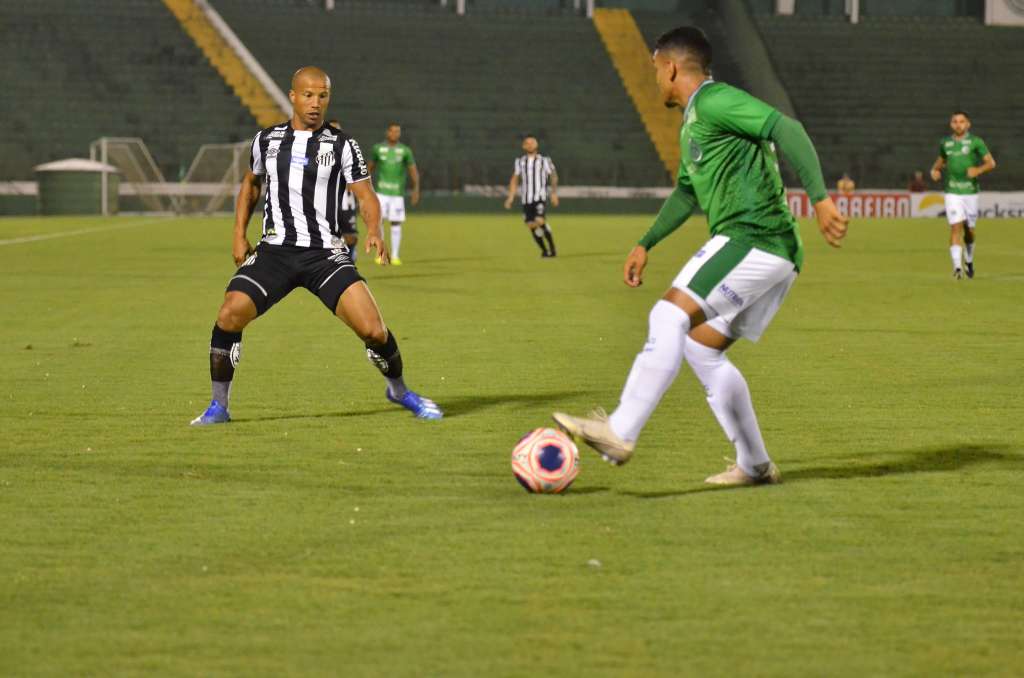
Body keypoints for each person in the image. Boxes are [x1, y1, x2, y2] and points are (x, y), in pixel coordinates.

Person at [552, 27, 847, 486]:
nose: (654, 80)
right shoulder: (695, 120)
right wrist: (646, 242)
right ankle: (755, 465)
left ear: (670, 67)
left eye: (655, 70)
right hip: (771, 250)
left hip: (754, 237)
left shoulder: (714, 101)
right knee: (701, 349)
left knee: (668, 316)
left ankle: (620, 430)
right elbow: (687, 193)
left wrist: (821, 198)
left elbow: (787, 128)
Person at [190, 67, 442, 425]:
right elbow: (251, 185)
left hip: (324, 254)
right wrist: (237, 233)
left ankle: (400, 391)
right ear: (292, 96)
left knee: (373, 329)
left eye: (322, 96)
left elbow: (365, 195)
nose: (315, 103)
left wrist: (375, 230)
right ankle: (219, 407)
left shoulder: (342, 145)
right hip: (274, 252)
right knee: (229, 314)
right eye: (308, 95)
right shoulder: (267, 140)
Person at [929, 111, 996, 279]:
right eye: (954, 122)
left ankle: (969, 259)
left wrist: (978, 170)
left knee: (969, 231)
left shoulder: (976, 142)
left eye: (961, 121)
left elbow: (991, 163)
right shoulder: (945, 143)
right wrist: (935, 169)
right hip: (952, 191)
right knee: (955, 227)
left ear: (968, 124)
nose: (958, 124)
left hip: (970, 192)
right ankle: (957, 267)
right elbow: (942, 160)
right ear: (951, 124)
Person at [368, 123, 419, 265]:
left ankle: (395, 256)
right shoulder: (378, 149)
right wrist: (365, 188)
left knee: (396, 222)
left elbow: (413, 170)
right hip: (381, 192)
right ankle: (381, 255)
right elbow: (369, 168)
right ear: (387, 132)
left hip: (397, 193)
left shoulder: (405, 150)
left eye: (398, 131)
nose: (396, 134)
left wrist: (416, 188)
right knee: (379, 222)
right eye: (393, 131)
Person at [503, 136, 559, 257]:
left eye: (532, 142)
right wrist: (511, 197)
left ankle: (553, 248)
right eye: (527, 143)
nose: (529, 145)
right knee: (531, 225)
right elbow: (514, 179)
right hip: (526, 199)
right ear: (523, 146)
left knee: (539, 220)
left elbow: (553, 176)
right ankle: (544, 251)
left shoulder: (544, 160)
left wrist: (554, 193)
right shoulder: (520, 161)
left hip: (540, 197)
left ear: (536, 145)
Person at [328, 118, 359, 261]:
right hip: (326, 198)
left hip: (346, 197)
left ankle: (350, 262)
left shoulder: (349, 148)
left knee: (351, 237)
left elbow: (358, 171)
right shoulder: (315, 149)